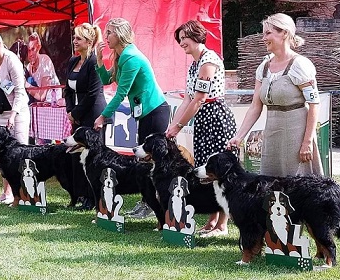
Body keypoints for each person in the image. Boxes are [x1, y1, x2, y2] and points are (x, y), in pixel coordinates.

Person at [227, 13, 323, 178]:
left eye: (268, 33)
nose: (263, 38)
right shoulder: (263, 68)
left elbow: (314, 104)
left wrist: (307, 142)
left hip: (297, 136)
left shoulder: (300, 65)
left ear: (284, 33)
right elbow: (255, 107)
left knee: (299, 189)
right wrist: (239, 137)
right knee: (270, 188)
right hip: (272, 136)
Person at [166, 20, 237, 238]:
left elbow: (199, 99)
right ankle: (212, 219)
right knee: (205, 170)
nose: (181, 43)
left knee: (220, 170)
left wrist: (178, 127)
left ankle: (223, 224)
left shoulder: (209, 60)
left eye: (184, 38)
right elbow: (187, 99)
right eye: (179, 40)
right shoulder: (193, 65)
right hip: (202, 121)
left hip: (216, 119)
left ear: (196, 36)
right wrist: (171, 127)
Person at [94, 17, 170, 218]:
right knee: (143, 160)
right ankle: (147, 201)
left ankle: (157, 204)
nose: (106, 36)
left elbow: (120, 93)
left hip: (154, 111)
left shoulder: (131, 57)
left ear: (119, 34)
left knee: (152, 160)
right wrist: (100, 61)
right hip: (144, 112)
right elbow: (106, 80)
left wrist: (103, 117)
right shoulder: (120, 56)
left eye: (109, 32)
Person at [0, 29, 30, 205]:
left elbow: (19, 91)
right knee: (2, 154)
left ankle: (25, 192)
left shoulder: (12, 61)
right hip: (1, 111)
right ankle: (7, 192)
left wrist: (14, 114)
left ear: (0, 44)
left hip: (18, 112)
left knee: (20, 152)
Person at [64, 23, 108, 210]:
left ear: (89, 42)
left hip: (93, 115)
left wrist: (76, 112)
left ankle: (94, 198)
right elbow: (67, 90)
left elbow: (93, 93)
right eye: (74, 38)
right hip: (78, 114)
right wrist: (70, 111)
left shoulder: (93, 62)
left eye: (78, 38)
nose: (74, 41)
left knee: (93, 159)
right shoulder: (72, 62)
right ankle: (80, 195)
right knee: (76, 157)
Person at [26, 32, 62, 104]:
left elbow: (42, 96)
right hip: (39, 104)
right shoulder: (28, 67)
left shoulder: (45, 60)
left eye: (33, 49)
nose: (30, 54)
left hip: (53, 103)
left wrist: (25, 84)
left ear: (39, 47)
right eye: (28, 50)